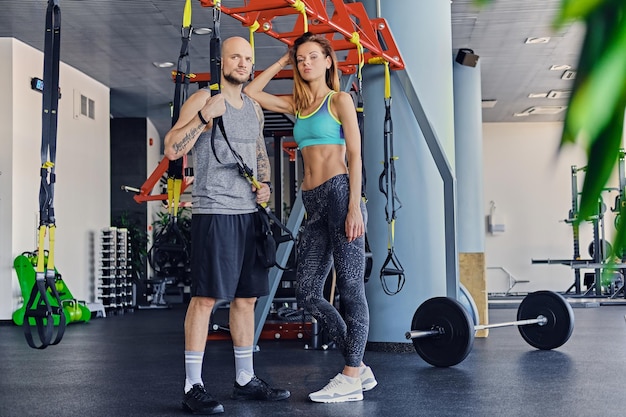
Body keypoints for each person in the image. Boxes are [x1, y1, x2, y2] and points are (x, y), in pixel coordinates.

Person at [244, 32, 376, 403]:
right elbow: (253, 92)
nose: (306, 64)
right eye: (301, 59)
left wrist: (354, 206)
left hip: (339, 193)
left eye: (313, 57)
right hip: (312, 202)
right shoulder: (297, 105)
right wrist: (282, 61)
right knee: (306, 292)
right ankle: (359, 365)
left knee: (350, 288)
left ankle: (351, 374)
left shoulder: (339, 100)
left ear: (328, 61)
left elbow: (356, 156)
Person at [164, 36, 290, 415]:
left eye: (248, 59)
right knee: (205, 298)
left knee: (247, 298)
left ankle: (244, 378)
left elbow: (256, 153)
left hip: (248, 214)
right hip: (214, 211)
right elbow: (171, 148)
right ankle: (193, 385)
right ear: (222, 62)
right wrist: (204, 117)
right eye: (236, 57)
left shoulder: (253, 107)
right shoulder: (204, 99)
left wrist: (265, 185)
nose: (243, 63)